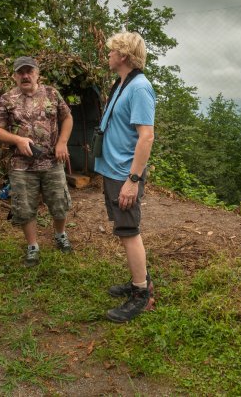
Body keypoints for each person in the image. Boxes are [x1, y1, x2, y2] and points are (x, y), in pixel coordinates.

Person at [94, 32, 156, 323]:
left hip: (124, 174)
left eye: (112, 51)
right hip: (113, 169)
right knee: (123, 229)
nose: (108, 55)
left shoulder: (139, 88)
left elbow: (146, 137)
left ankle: (141, 294)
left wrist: (133, 180)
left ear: (124, 57)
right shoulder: (121, 83)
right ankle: (139, 278)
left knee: (129, 231)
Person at [0, 56, 74, 267]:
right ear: (15, 76)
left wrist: (62, 142)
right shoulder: (7, 99)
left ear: (37, 74)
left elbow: (67, 117)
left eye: (30, 71)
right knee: (25, 207)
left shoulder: (52, 93)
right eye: (21, 72)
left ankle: (60, 234)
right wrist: (17, 139)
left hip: (52, 162)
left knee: (59, 203)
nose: (25, 75)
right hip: (21, 166)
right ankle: (32, 245)